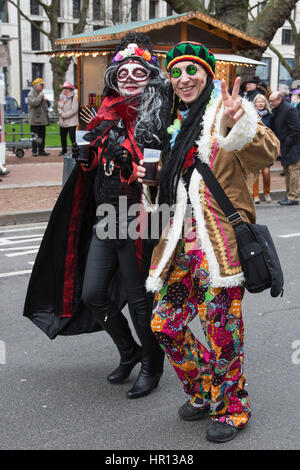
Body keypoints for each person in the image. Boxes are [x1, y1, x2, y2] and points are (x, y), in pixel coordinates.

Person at [137, 41, 279, 443]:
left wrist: (239, 120)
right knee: (165, 325)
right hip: (182, 250)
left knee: (222, 333)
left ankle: (233, 408)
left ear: (208, 74)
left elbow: (269, 150)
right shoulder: (178, 125)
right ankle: (203, 390)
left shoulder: (224, 113)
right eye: (176, 72)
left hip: (220, 250)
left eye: (192, 70)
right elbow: (175, 189)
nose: (183, 79)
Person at [24, 32, 165, 400]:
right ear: (113, 77)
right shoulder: (104, 112)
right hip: (106, 213)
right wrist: (85, 154)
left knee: (140, 301)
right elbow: (92, 162)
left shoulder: (160, 114)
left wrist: (127, 159)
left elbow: (162, 172)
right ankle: (129, 351)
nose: (130, 77)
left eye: (139, 71)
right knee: (92, 294)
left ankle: (153, 364)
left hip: (142, 216)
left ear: (151, 76)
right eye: (123, 72)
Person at [269, 91, 300, 205]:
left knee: (293, 171)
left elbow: (295, 129)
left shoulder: (288, 110)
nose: (270, 103)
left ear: (279, 100)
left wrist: (286, 144)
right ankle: (289, 195)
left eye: (272, 101)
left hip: (292, 146)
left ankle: (294, 197)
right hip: (286, 145)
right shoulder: (278, 110)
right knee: (288, 171)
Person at [252, 93, 274, 203]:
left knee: (266, 173)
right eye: (258, 101)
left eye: (262, 101)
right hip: (255, 148)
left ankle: (267, 193)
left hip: (266, 148)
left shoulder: (270, 115)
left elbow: (274, 132)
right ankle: (255, 195)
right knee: (255, 173)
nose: (260, 103)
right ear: (255, 103)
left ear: (265, 103)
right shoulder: (251, 115)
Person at [27, 78, 50, 156]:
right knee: (35, 137)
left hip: (42, 120)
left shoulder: (40, 93)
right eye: (41, 85)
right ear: (36, 86)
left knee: (42, 136)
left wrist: (46, 100)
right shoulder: (31, 94)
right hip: (35, 120)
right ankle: (34, 151)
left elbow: (48, 105)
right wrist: (40, 97)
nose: (43, 86)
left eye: (43, 85)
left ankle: (41, 151)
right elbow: (33, 103)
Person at [58, 82, 79, 156]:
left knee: (72, 137)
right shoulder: (61, 97)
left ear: (70, 89)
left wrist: (64, 115)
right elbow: (59, 107)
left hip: (71, 122)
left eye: (66, 88)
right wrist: (60, 113)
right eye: (64, 88)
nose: (64, 90)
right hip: (62, 121)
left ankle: (75, 150)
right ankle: (63, 150)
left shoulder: (74, 98)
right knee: (62, 137)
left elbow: (74, 110)